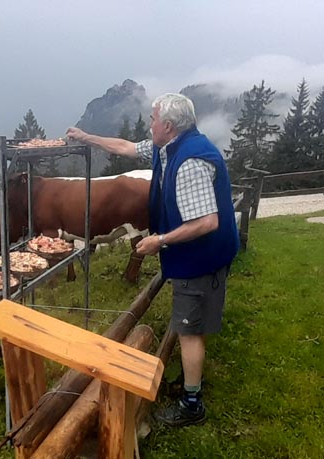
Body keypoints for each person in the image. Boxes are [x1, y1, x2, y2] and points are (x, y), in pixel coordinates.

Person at [67, 93, 239, 427]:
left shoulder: (189, 161)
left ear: (169, 126)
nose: (149, 123)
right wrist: (86, 137)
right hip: (198, 255)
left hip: (202, 257)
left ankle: (192, 404)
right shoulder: (169, 146)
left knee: (188, 330)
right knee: (194, 324)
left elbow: (206, 222)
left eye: (152, 118)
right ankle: (192, 382)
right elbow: (125, 147)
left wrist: (159, 240)